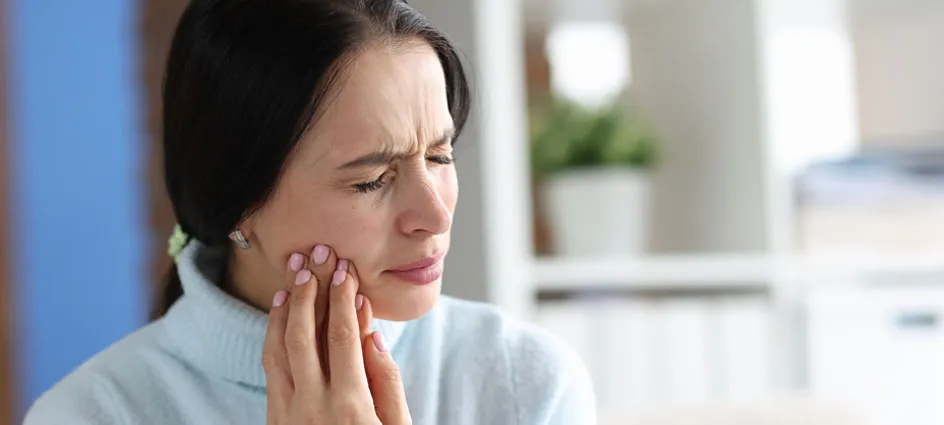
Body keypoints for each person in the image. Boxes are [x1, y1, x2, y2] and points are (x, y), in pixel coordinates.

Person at [23, 0, 596, 424]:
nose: (434, 214)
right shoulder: (92, 414)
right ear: (237, 204)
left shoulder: (524, 383)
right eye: (372, 180)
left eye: (439, 155)